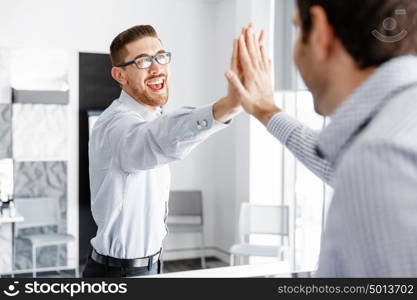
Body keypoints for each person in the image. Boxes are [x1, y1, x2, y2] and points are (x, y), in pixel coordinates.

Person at [226, 0, 417, 277]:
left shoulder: (381, 159)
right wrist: (266, 111)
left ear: (319, 32)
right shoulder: (395, 124)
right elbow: (336, 162)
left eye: (295, 30)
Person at [83, 25, 242, 277]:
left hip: (151, 266)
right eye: (143, 61)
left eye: (160, 56)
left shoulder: (151, 118)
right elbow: (153, 141)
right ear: (120, 76)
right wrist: (226, 107)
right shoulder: (115, 124)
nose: (157, 68)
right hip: (119, 273)